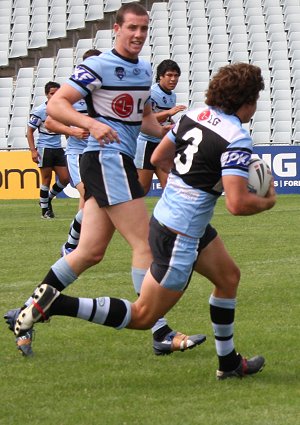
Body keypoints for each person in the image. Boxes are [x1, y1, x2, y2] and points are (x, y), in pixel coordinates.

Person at [14, 63, 276, 379]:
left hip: (170, 218)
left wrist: (194, 181)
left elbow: (158, 159)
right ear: (247, 100)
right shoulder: (236, 138)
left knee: (228, 277)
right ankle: (57, 304)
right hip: (182, 234)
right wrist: (267, 200)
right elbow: (237, 204)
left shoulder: (195, 114)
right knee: (142, 316)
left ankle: (229, 363)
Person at [5, 2, 205, 357]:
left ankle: (25, 310)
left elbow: (142, 120)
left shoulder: (143, 71)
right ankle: (159, 330)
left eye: (144, 29)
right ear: (116, 29)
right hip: (107, 161)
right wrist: (91, 124)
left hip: (114, 161)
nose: (139, 35)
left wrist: (174, 131)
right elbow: (57, 106)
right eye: (132, 28)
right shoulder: (96, 66)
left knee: (89, 252)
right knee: (145, 243)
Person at [45, 49, 102, 256]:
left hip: (98, 154)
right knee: (87, 194)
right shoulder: (71, 94)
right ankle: (72, 246)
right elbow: (50, 122)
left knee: (90, 201)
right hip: (78, 154)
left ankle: (76, 245)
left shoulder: (103, 94)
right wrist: (72, 130)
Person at [135, 59, 186, 194]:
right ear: (160, 76)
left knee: (170, 186)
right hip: (147, 143)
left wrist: (173, 123)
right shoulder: (152, 93)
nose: (173, 79)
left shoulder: (172, 96)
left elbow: (164, 118)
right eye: (169, 75)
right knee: (142, 187)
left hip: (162, 143)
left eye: (176, 76)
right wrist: (169, 112)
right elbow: (145, 118)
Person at [27, 81, 70, 219]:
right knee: (46, 178)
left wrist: (70, 144)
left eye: (57, 93)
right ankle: (45, 212)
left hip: (58, 148)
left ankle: (47, 199)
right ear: (47, 95)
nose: (55, 95)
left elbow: (66, 129)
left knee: (65, 178)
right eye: (52, 93)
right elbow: (29, 131)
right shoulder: (40, 111)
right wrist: (33, 150)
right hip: (44, 148)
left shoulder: (63, 109)